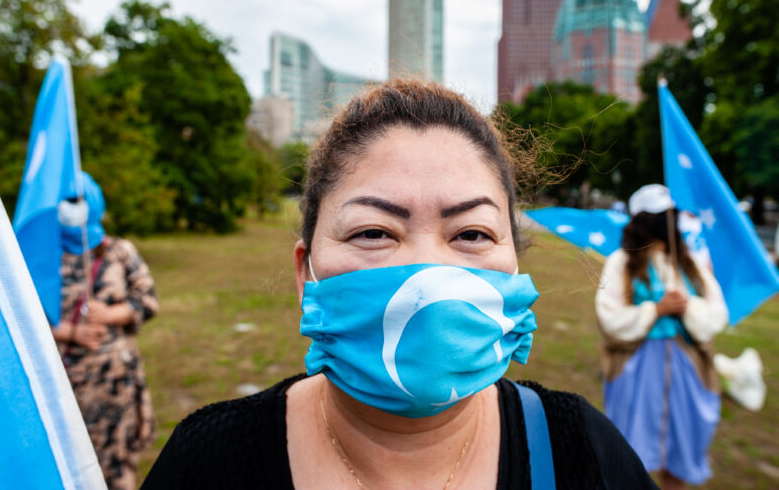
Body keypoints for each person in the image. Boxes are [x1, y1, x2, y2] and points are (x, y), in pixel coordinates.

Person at [143, 80, 656, 489]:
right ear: (307, 274)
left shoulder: (582, 450)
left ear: (516, 265)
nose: (428, 274)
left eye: (472, 233)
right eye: (373, 232)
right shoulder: (208, 460)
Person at [596, 184, 729, 490]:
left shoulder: (689, 263)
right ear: (645, 219)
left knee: (681, 455)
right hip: (637, 370)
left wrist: (686, 308)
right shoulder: (622, 262)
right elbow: (610, 316)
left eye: (670, 214)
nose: (669, 220)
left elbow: (716, 313)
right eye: (662, 215)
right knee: (629, 458)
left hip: (688, 372)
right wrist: (655, 310)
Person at [50, 172, 159, 490]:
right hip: (63, 384)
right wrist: (71, 332)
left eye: (79, 201)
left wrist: (111, 313)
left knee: (115, 467)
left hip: (113, 386)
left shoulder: (120, 252)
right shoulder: (41, 259)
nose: (73, 208)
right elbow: (24, 319)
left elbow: (148, 301)